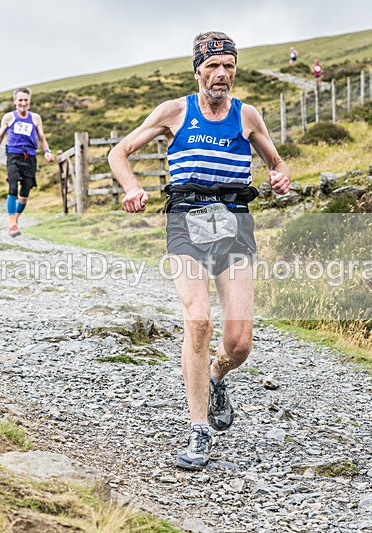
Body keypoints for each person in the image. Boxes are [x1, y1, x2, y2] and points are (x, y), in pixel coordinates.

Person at [109, 31, 290, 470]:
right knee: (198, 319)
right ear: (198, 71)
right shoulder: (176, 111)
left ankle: (215, 376)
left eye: (229, 65)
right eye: (213, 66)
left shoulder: (247, 116)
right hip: (186, 222)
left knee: (239, 343)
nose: (222, 74)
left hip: (234, 224)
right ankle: (199, 429)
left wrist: (280, 177)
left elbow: (276, 163)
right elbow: (120, 152)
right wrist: (131, 186)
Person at [0, 87, 53, 237]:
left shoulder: (35, 118)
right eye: (20, 100)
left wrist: (47, 151)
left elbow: (41, 137)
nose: (23, 103)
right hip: (14, 156)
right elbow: (0, 136)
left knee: (25, 193)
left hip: (30, 157)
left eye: (25, 100)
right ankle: (12, 224)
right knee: (13, 187)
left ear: (29, 101)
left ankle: (14, 220)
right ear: (15, 101)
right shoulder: (9, 117)